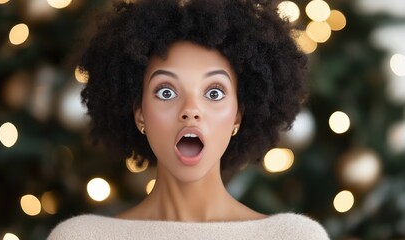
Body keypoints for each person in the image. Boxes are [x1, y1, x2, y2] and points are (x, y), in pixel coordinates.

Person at [49, 0, 329, 239]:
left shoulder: (294, 236)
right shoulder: (81, 236)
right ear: (140, 113)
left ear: (238, 116)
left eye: (215, 92)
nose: (190, 110)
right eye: (167, 92)